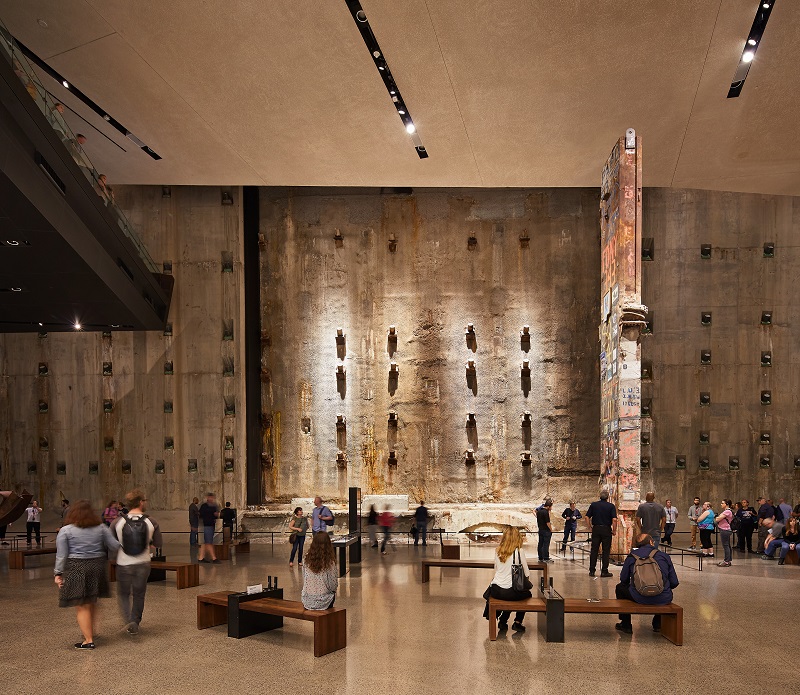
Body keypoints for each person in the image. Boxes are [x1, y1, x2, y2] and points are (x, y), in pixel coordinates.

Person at [54, 500, 120, 649]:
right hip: (97, 566)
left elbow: (61, 555)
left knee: (81, 605)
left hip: (76, 567)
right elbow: (115, 546)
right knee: (92, 600)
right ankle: (92, 631)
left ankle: (88, 640)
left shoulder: (66, 530)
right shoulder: (101, 528)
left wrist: (58, 573)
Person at [110, 489, 162, 635]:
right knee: (139, 594)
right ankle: (135, 620)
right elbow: (158, 543)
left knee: (123, 594)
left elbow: (111, 544)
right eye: (145, 500)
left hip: (123, 563)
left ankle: (128, 620)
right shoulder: (151, 521)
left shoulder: (117, 522)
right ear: (140, 502)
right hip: (143, 563)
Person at [615, 533, 679, 635]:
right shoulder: (663, 556)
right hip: (663, 597)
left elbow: (624, 580)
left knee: (620, 588)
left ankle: (626, 624)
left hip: (639, 597)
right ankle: (658, 623)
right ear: (651, 542)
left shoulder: (631, 557)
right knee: (665, 589)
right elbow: (674, 582)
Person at [481, 526, 532, 633]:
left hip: (496, 590)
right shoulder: (519, 551)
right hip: (510, 591)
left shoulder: (498, 551)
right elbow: (527, 573)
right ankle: (517, 622)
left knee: (509, 595)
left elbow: (496, 569)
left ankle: (503, 621)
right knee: (526, 594)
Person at [301, 532, 338, 610]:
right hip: (324, 601)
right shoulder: (329, 562)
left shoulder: (305, 559)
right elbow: (333, 585)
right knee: (332, 594)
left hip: (307, 599)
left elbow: (304, 578)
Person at [586, 490, 617, 577]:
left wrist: (589, 527)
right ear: (607, 497)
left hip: (596, 528)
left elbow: (587, 517)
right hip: (606, 529)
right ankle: (604, 571)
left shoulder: (594, 505)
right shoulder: (611, 506)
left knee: (594, 550)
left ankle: (592, 571)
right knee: (606, 551)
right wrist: (614, 530)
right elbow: (614, 520)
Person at [198, 492, 220, 563]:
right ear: (208, 497)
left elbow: (216, 515)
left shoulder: (214, 505)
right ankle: (214, 558)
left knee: (205, 542)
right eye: (210, 497)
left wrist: (216, 515)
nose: (211, 499)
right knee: (208, 542)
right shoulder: (204, 506)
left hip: (211, 524)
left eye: (212, 497)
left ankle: (201, 558)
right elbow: (201, 514)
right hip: (207, 525)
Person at [715, 499, 733, 567]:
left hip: (725, 530)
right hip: (725, 529)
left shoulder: (727, 511)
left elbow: (717, 519)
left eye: (722, 503)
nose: (721, 504)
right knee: (727, 545)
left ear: (727, 504)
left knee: (726, 546)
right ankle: (728, 560)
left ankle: (726, 561)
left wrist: (717, 517)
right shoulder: (727, 511)